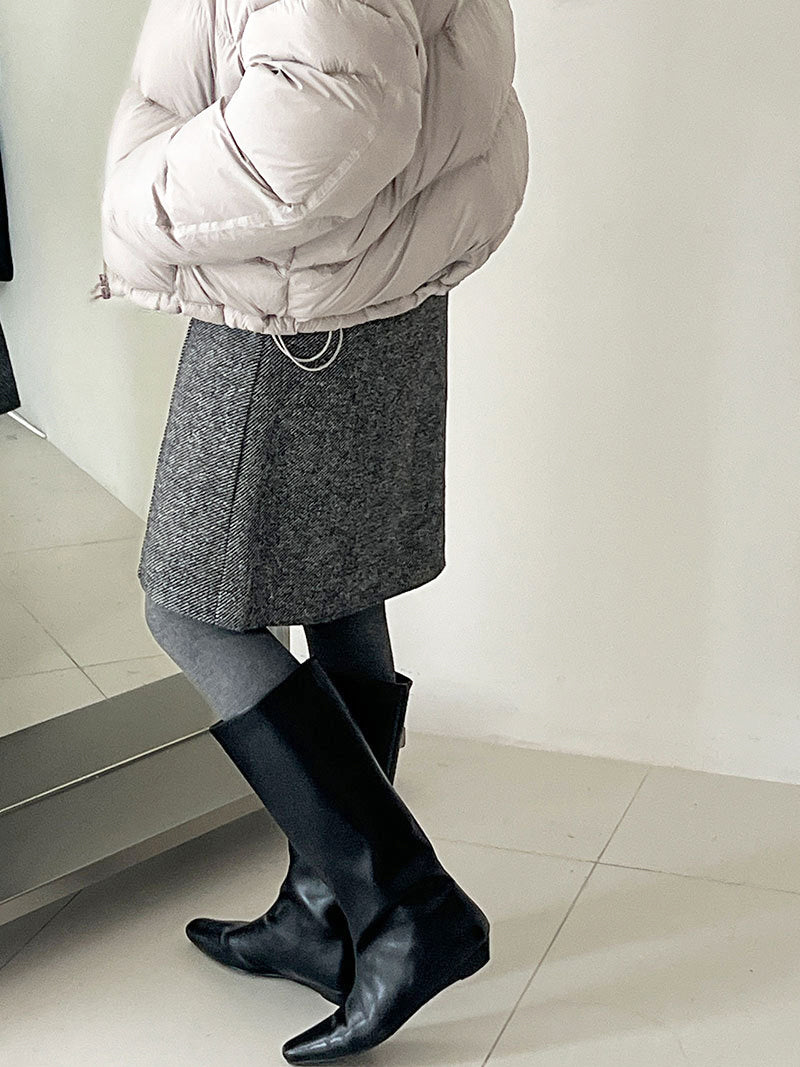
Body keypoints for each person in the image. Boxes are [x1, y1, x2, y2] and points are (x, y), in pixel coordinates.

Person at [93, 0, 529, 1061]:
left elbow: (323, 124)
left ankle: (405, 905)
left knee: (190, 610)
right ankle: (323, 910)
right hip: (372, 282)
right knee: (337, 582)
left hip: (292, 310)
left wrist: (134, 194)